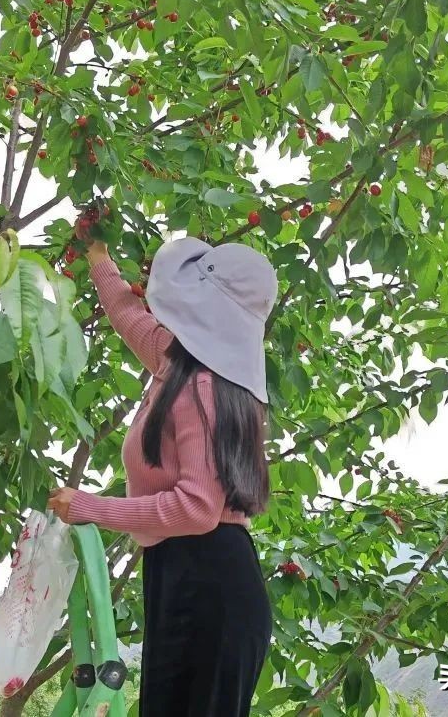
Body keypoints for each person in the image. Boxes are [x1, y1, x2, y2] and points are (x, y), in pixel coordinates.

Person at [47, 230, 278, 717]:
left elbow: (196, 508)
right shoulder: (181, 368)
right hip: (185, 573)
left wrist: (90, 506)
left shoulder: (204, 388)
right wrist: (98, 257)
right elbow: (129, 317)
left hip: (209, 580)